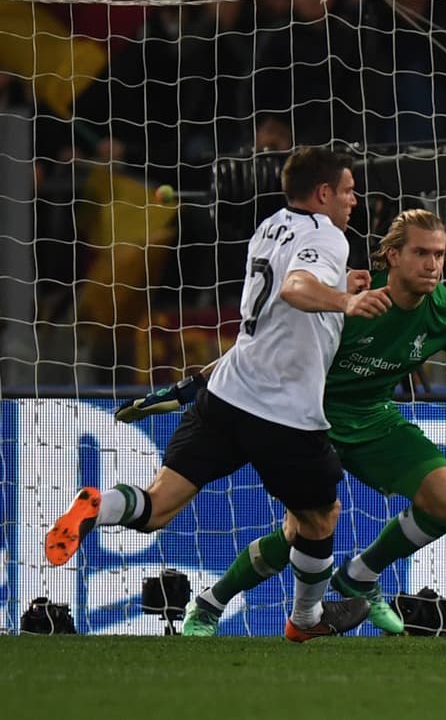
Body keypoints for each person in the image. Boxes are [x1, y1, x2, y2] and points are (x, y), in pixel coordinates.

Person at [156, 209, 446, 636]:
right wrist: (189, 389)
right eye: (422, 253)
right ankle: (211, 604)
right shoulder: (350, 298)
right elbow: (258, 349)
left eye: (439, 254)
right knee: (300, 531)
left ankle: (360, 575)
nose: (433, 264)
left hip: (374, 418)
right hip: (310, 418)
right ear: (392, 256)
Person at [45, 146, 393, 642]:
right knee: (320, 518)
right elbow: (296, 287)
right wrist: (346, 298)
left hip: (227, 393)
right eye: (348, 190)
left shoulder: (270, 227)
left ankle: (96, 508)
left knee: (156, 506)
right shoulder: (328, 236)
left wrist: (339, 283)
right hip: (283, 411)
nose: (354, 200)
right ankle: (308, 619)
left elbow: (279, 302)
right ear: (323, 194)